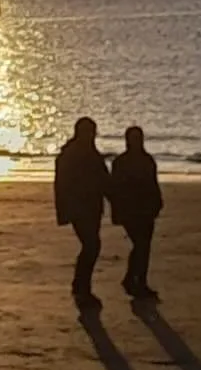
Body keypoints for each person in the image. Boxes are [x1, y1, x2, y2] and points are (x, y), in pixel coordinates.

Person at [54, 117, 110, 310]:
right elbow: (62, 186)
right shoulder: (71, 154)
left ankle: (81, 287)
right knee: (92, 245)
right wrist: (65, 211)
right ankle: (80, 287)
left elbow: (104, 180)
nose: (92, 136)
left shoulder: (89, 153)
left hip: (92, 207)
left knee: (92, 245)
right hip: (80, 208)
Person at [109, 125, 163, 301]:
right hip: (131, 210)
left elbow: (153, 184)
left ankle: (137, 280)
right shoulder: (121, 162)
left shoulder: (147, 160)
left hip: (146, 209)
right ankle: (135, 281)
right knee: (141, 245)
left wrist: (157, 203)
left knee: (143, 246)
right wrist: (117, 211)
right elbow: (114, 189)